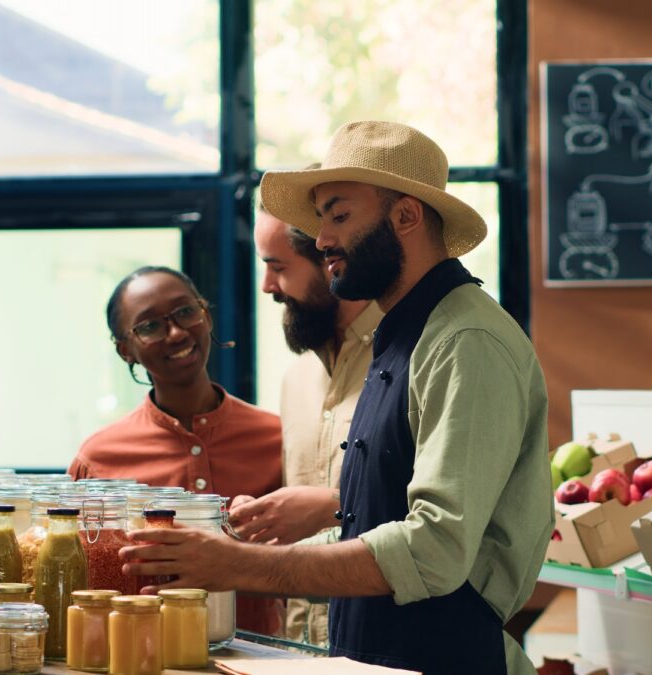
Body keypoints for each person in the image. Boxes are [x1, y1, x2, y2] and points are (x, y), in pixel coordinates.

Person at [121, 122, 553, 675]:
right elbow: (389, 505)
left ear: (406, 216)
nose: (321, 239)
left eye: (339, 215)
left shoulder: (465, 340)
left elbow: (435, 550)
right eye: (320, 218)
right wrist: (315, 516)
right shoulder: (406, 333)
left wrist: (243, 565)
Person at [69, 265, 284, 635]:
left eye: (186, 311)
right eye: (149, 326)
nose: (176, 332)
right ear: (125, 350)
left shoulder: (276, 437)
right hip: (139, 655)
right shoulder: (99, 458)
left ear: (207, 315)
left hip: (261, 659)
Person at [230, 206, 384, 645]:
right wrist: (265, 522)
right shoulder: (296, 380)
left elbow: (440, 524)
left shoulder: (411, 359)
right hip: (302, 649)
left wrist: (333, 505)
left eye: (277, 268)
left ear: (329, 260)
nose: (267, 287)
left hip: (386, 650)